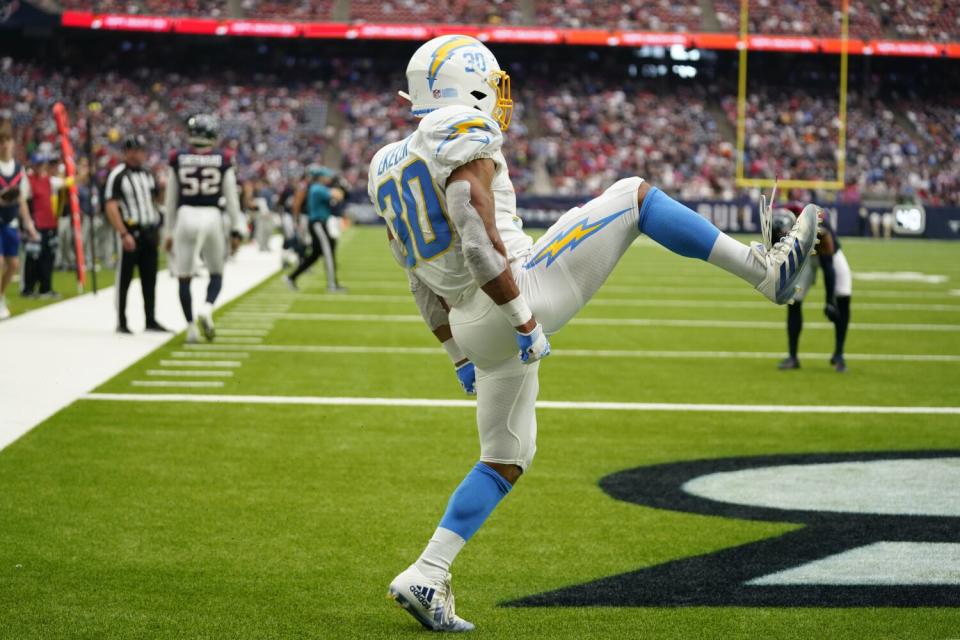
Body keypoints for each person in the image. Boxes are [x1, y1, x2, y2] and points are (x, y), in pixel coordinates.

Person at [367, 35, 821, 632]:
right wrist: (523, 321)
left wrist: (457, 355)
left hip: (469, 322)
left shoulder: (385, 164)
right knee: (633, 195)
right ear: (465, 82)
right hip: (512, 294)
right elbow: (476, 239)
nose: (500, 96)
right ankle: (767, 273)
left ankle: (428, 573)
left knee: (507, 457)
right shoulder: (458, 127)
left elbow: (416, 281)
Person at [164, 114, 245, 344]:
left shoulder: (178, 157)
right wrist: (237, 228)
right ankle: (207, 308)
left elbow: (171, 199)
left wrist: (168, 232)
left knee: (184, 276)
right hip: (212, 216)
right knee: (217, 272)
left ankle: (190, 328)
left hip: (185, 214)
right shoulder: (223, 158)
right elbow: (231, 198)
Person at [773, 207, 852, 372]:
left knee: (842, 297)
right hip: (806, 258)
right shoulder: (781, 222)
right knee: (793, 300)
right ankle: (793, 357)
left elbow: (828, 267)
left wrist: (829, 300)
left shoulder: (819, 230)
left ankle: (839, 354)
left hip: (830, 256)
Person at [104, 134, 168, 334]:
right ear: (128, 152)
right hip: (131, 231)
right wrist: (123, 233)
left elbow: (158, 201)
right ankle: (122, 321)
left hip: (149, 231)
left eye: (142, 150)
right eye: (137, 150)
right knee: (125, 279)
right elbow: (111, 205)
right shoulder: (118, 175)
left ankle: (150, 319)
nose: (140, 154)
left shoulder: (149, 174)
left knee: (150, 279)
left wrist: (164, 188)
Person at [0, 119, 39, 320]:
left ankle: (1, 294)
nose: (5, 145)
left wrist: (29, 224)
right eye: (1, 141)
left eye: (7, 140)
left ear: (13, 142)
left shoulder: (18, 168)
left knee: (13, 264)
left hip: (11, 222)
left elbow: (22, 199)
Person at [283, 165, 345, 292]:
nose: (329, 179)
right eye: (327, 176)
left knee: (315, 255)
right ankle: (332, 284)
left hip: (318, 223)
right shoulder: (318, 188)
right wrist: (339, 188)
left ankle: (292, 277)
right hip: (318, 224)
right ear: (321, 177)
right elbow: (338, 196)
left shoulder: (316, 188)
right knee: (328, 252)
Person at [22, 151, 70, 298]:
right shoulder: (28, 180)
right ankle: (28, 288)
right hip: (36, 225)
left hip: (50, 224)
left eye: (42, 164)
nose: (40, 167)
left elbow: (66, 183)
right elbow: (23, 200)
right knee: (33, 257)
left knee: (48, 257)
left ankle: (46, 287)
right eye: (37, 164)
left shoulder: (49, 180)